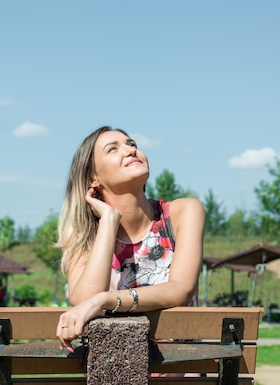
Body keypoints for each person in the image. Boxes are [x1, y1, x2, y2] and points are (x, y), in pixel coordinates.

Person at [55, 126, 206, 352]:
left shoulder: (184, 213)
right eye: (113, 149)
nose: (130, 150)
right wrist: (108, 220)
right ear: (93, 178)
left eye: (132, 144)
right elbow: (84, 299)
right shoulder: (86, 236)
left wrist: (106, 300)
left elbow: (180, 290)